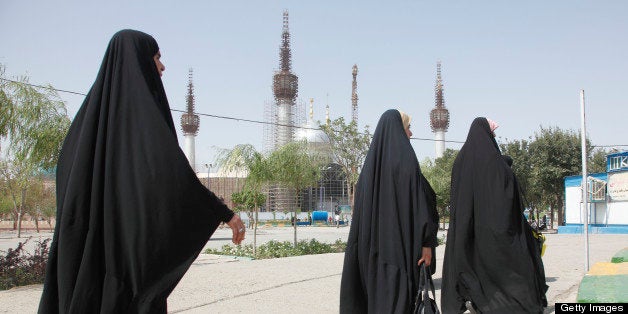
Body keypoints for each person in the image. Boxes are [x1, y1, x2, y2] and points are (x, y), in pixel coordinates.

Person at [38, 30, 246, 313]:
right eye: (157, 57)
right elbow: (170, 178)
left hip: (82, 267)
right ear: (139, 61)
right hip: (122, 269)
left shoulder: (84, 129)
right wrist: (223, 212)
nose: (162, 66)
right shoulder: (142, 126)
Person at [441, 117, 547, 313]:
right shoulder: (496, 163)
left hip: (469, 232)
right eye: (493, 134)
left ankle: (478, 301)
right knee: (511, 269)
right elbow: (509, 199)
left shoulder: (460, 162)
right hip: (499, 232)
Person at [339, 109, 439, 313]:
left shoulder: (367, 172)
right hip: (400, 253)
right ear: (399, 129)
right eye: (408, 127)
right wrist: (427, 243)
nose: (410, 133)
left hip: (369, 256)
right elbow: (423, 204)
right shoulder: (407, 163)